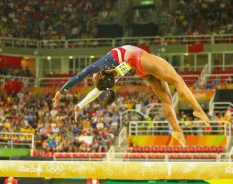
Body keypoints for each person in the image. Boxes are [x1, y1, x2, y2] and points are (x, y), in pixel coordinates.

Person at [52, 45, 210, 147]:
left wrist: (79, 105)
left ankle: (177, 131)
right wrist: (60, 92)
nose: (92, 78)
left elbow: (98, 90)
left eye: (93, 80)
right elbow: (80, 76)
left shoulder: (111, 77)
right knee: (177, 80)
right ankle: (197, 109)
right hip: (143, 60)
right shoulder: (103, 66)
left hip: (141, 70)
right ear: (99, 76)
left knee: (166, 99)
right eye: (94, 79)